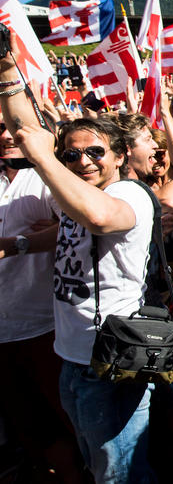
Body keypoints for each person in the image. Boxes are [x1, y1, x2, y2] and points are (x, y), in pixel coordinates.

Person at [0, 62, 157, 483]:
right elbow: (26, 131)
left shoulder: (128, 193)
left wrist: (43, 159)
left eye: (95, 152)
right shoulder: (75, 194)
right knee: (97, 463)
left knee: (119, 473)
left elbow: (99, 219)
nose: (83, 161)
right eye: (71, 155)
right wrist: (6, 71)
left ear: (120, 156)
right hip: (71, 355)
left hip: (110, 357)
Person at [0, 121, 82, 483]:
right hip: (4, 335)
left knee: (72, 420)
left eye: (11, 127)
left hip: (47, 327)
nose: (6, 136)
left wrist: (25, 242)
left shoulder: (47, 177)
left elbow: (81, 222)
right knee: (31, 426)